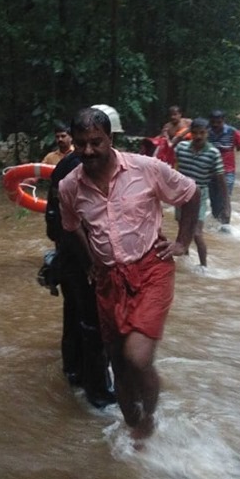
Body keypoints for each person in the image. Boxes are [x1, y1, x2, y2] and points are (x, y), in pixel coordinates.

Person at [58, 107, 200, 441]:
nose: (89, 150)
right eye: (81, 144)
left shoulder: (146, 168)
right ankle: (132, 428)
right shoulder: (69, 186)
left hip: (151, 268)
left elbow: (191, 194)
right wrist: (91, 257)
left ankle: (150, 419)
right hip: (108, 279)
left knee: (136, 357)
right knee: (117, 363)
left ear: (110, 138)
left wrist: (182, 241)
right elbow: (70, 226)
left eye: (96, 142)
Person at [45, 129, 116, 409]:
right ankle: (98, 393)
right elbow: (87, 222)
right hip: (84, 260)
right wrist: (93, 263)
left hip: (67, 257)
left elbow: (54, 221)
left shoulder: (64, 165)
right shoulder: (84, 170)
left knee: (74, 315)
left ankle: (73, 373)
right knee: (95, 324)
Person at [174, 118, 229, 267]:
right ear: (190, 133)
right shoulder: (181, 148)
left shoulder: (213, 153)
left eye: (202, 133)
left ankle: (203, 267)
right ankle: (184, 261)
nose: (198, 136)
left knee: (197, 233)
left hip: (199, 195)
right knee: (182, 232)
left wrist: (226, 206)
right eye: (195, 133)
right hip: (181, 194)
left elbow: (221, 181)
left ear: (207, 133)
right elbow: (168, 161)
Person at [206, 110, 240, 229]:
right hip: (210, 173)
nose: (216, 125)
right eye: (213, 122)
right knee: (214, 202)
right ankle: (216, 225)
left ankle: (226, 226)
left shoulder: (232, 132)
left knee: (225, 198)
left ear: (223, 121)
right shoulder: (206, 132)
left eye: (219, 122)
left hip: (227, 173)